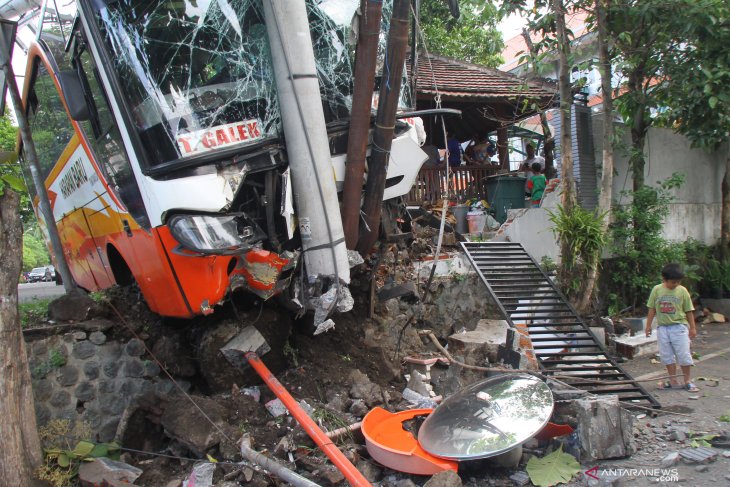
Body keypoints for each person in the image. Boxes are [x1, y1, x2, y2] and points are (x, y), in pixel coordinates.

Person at [645, 263, 698, 392]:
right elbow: (652, 309)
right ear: (664, 279)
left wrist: (693, 328)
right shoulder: (657, 290)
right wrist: (648, 326)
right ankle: (673, 380)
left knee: (684, 354)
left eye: (678, 282)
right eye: (673, 282)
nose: (675, 284)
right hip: (663, 328)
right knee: (667, 356)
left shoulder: (682, 290)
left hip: (679, 327)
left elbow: (689, 310)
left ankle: (687, 381)